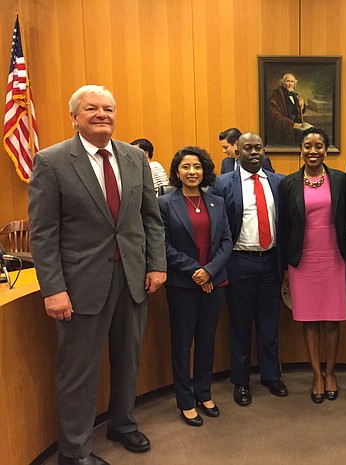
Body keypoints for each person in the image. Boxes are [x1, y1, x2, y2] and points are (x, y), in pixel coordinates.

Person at [28, 85, 166, 465]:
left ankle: (122, 423)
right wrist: (53, 289)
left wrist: (156, 264)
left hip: (132, 278)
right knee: (78, 370)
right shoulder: (51, 161)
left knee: (128, 359)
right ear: (74, 117)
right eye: (91, 108)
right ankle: (74, 452)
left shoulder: (135, 157)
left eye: (108, 108)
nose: (101, 113)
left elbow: (150, 220)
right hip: (80, 285)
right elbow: (43, 233)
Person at [210, 132, 288, 406]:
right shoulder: (222, 184)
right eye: (247, 149)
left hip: (270, 261)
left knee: (269, 324)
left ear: (264, 151)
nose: (254, 153)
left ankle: (271, 375)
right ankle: (241, 382)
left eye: (258, 148)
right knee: (240, 325)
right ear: (237, 153)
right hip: (239, 262)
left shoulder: (279, 183)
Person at [158, 146, 232, 427]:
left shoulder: (216, 201)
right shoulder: (165, 203)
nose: (192, 172)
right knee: (182, 344)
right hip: (182, 286)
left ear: (205, 171)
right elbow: (162, 245)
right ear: (177, 171)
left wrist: (210, 272)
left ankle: (204, 392)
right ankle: (185, 400)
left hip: (215, 282)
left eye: (198, 167)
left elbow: (226, 241)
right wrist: (196, 271)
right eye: (186, 167)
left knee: (206, 341)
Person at [279, 127, 346, 403]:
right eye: (308, 146)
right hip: (303, 260)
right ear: (300, 149)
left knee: (332, 320)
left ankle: (331, 373)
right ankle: (316, 374)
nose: (313, 151)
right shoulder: (288, 183)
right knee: (308, 319)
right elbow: (284, 227)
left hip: (334, 258)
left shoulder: (341, 180)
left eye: (319, 146)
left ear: (326, 150)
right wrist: (284, 266)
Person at [267, 73, 308, 145]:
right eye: (288, 81)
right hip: (284, 129)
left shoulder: (295, 96)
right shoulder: (277, 95)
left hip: (297, 126)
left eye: (292, 81)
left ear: (295, 83)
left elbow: (298, 111)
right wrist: (292, 124)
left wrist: (302, 106)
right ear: (283, 82)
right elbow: (274, 115)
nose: (290, 84)